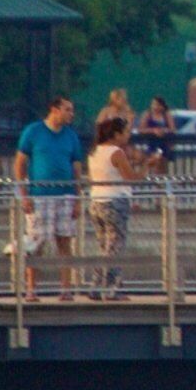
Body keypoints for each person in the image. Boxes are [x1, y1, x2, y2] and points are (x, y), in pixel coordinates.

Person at [12, 96, 87, 296]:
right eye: (67, 110)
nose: (71, 114)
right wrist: (24, 194)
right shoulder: (33, 131)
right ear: (54, 109)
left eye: (72, 110)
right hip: (39, 195)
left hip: (65, 195)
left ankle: (66, 289)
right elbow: (20, 163)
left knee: (65, 242)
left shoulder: (71, 136)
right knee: (36, 242)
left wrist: (78, 198)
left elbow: (77, 167)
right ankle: (31, 289)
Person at [85, 109, 141, 296]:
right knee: (116, 247)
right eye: (125, 132)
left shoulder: (94, 151)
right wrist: (148, 167)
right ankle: (109, 288)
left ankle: (97, 286)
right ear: (116, 134)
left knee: (105, 247)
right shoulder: (116, 152)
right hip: (115, 201)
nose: (127, 136)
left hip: (96, 201)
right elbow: (130, 177)